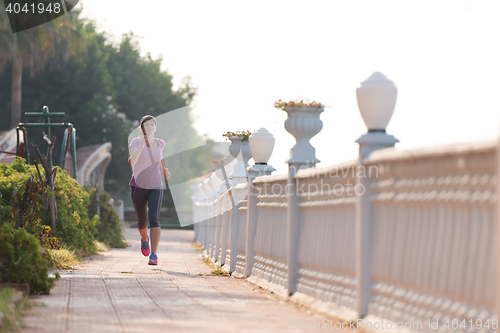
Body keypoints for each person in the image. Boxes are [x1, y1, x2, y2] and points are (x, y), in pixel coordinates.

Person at [128, 115, 170, 265]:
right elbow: (131, 162)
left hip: (156, 185)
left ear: (155, 128)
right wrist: (140, 147)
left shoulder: (160, 143)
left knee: (154, 218)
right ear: (142, 128)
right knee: (142, 222)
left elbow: (159, 157)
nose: (150, 127)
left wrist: (164, 169)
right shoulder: (135, 142)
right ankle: (144, 240)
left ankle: (154, 254)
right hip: (138, 186)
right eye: (147, 125)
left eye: (152, 125)